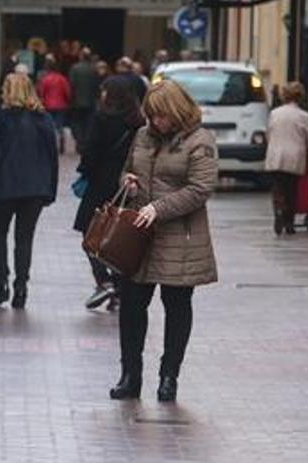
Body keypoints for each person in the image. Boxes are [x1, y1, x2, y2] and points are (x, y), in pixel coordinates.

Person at [110, 79, 218, 403]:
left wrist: (159, 208)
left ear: (177, 111)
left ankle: (169, 376)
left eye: (161, 116)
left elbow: (201, 188)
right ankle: (130, 375)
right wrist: (127, 181)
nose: (156, 122)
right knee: (131, 305)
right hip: (139, 237)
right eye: (151, 116)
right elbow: (128, 169)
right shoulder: (143, 135)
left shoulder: (200, 140)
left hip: (180, 236)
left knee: (177, 306)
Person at [0, 73, 58, 309]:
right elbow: (52, 156)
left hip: (3, 188)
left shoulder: (1, 120)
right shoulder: (43, 119)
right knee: (24, 238)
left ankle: (0, 283)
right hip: (35, 189)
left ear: (8, 91)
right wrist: (50, 188)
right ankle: (21, 286)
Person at [72, 76, 146, 311]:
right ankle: (118, 287)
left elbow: (90, 152)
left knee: (90, 233)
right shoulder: (139, 123)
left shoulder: (101, 118)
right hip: (128, 186)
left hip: (100, 184)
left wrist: (85, 169)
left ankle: (104, 282)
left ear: (111, 94)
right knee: (122, 238)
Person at [265, 82, 308, 234]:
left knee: (277, 188)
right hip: (294, 159)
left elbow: (268, 133)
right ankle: (289, 222)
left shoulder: (275, 113)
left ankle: (278, 212)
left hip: (275, 157)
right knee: (291, 191)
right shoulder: (303, 116)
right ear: (300, 97)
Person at [36, 54, 72, 153]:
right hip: (61, 105)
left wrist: (41, 102)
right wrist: (68, 101)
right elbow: (67, 92)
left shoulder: (45, 79)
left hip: (48, 105)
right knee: (59, 125)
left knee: (48, 125)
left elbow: (41, 92)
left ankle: (49, 144)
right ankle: (61, 144)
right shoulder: (62, 78)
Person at [68, 47, 99, 146]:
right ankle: (86, 142)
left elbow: (71, 85)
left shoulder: (74, 68)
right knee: (88, 123)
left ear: (81, 56)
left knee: (76, 122)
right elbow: (97, 85)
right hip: (90, 101)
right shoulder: (93, 69)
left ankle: (79, 141)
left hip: (77, 101)